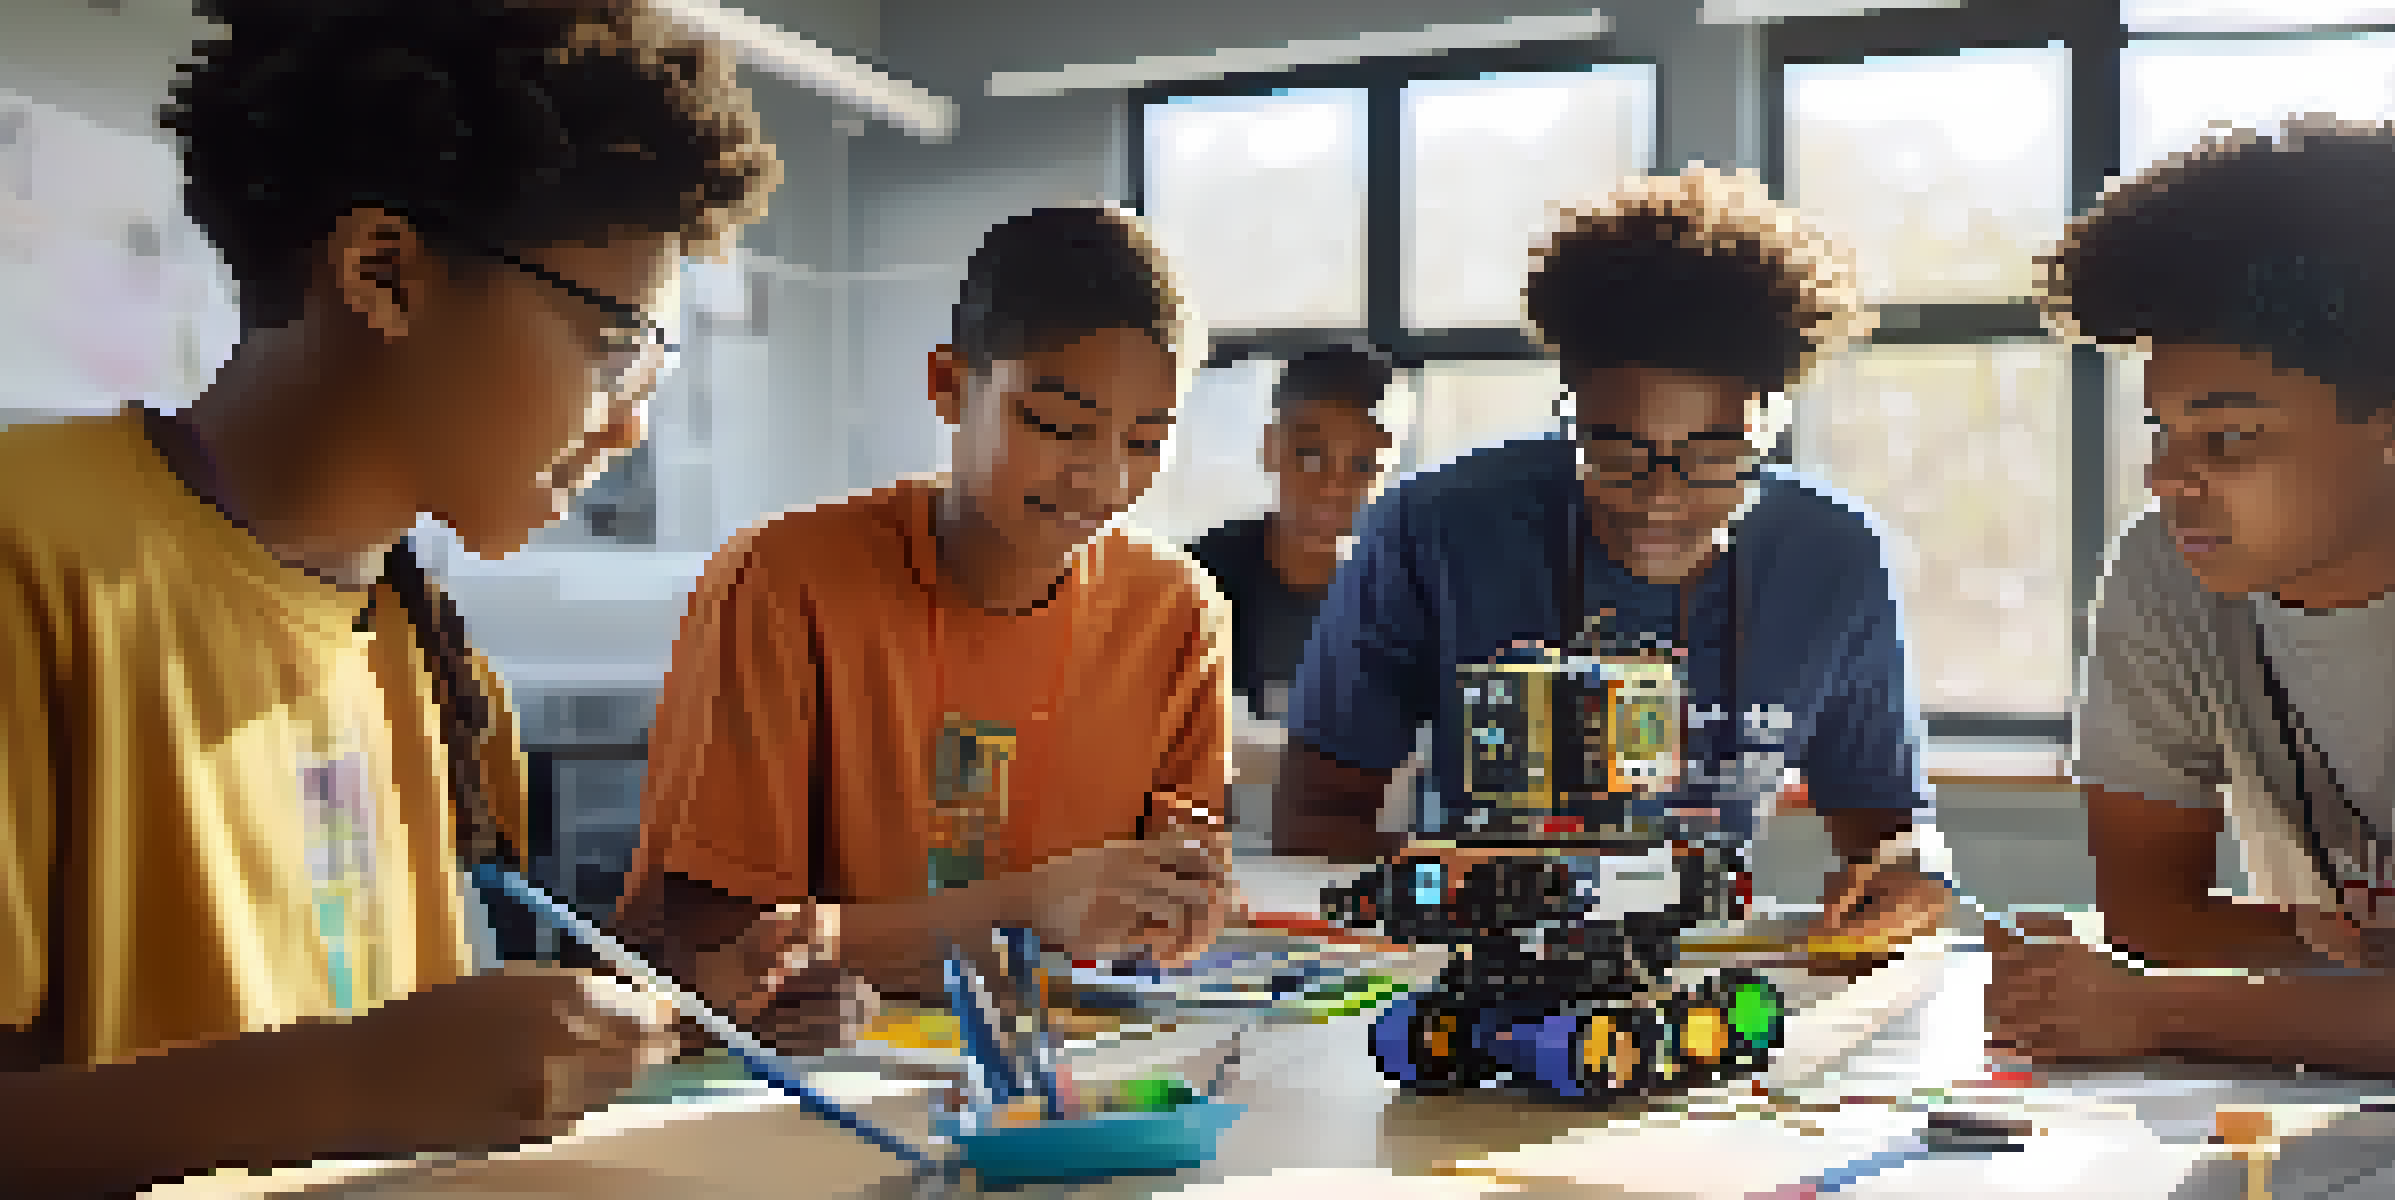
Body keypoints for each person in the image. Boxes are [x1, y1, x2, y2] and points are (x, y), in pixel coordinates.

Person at [0, 0, 786, 1192]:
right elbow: (367, 1081)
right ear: (384, 273)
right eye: (610, 342)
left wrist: (667, 1016)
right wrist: (356, 1085)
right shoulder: (32, 557)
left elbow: (432, 1077)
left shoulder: (437, 667)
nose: (631, 422)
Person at [1271, 166, 1952, 949]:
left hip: (1687, 964)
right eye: (1616, 449)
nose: (1660, 495)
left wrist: (1910, 881)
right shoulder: (1437, 527)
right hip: (1464, 956)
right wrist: (1456, 891)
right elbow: (1316, 818)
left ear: (1772, 427)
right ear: (1572, 411)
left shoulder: (1836, 558)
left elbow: (1895, 835)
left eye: (1714, 453)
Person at [613, 206, 1236, 1038]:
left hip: (1066, 1083)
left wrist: (1180, 907)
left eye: (1146, 440)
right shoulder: (785, 582)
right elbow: (710, 955)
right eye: (1055, 426)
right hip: (811, 1092)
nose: (1102, 477)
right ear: (949, 384)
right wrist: (1033, 908)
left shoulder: (1177, 614)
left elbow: (1171, 909)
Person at [1988, 117, 2395, 1075]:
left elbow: (2166, 973)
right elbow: (2151, 914)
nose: (2170, 479)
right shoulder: (2167, 567)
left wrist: (2160, 1012)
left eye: (2228, 439)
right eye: (2164, 431)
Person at [1189, 344, 1396, 831]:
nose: (1333, 483)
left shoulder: (1407, 594)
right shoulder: (1197, 579)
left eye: (1363, 465)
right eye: (1309, 454)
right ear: (1269, 447)